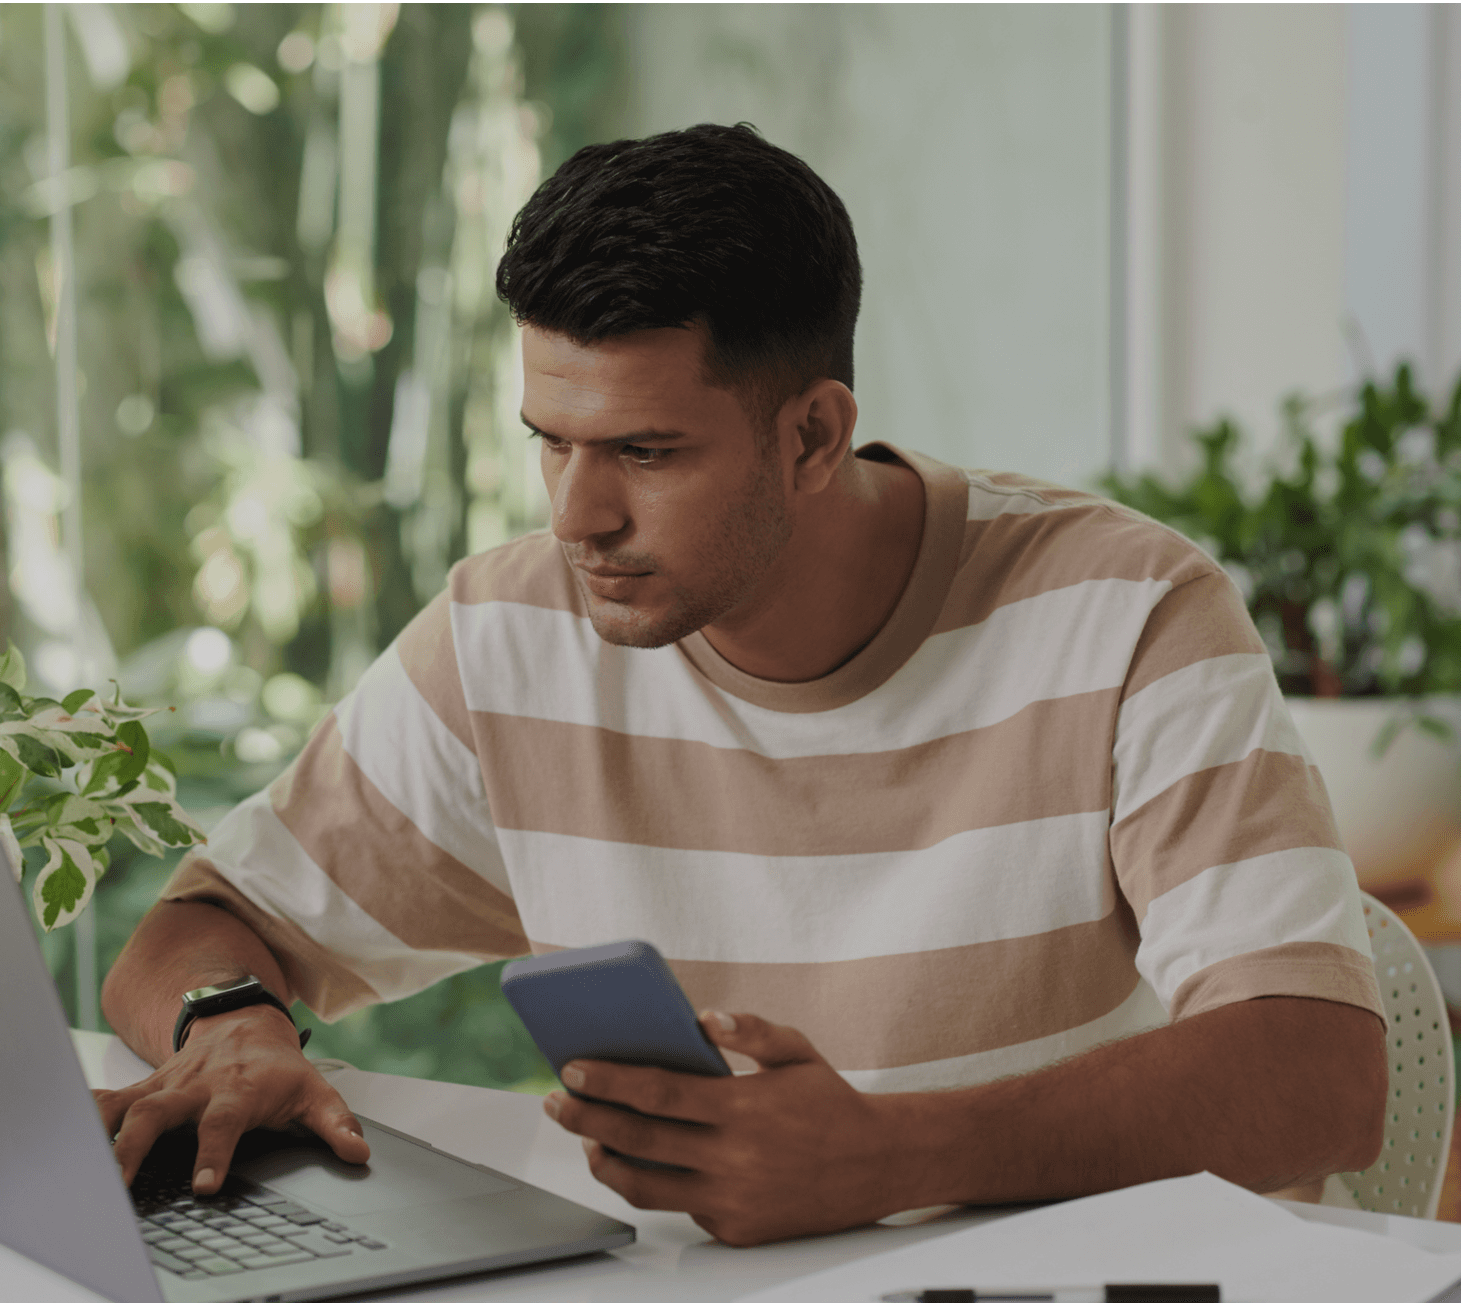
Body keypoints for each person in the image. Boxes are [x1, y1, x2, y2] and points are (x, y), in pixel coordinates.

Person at [97, 123, 1386, 1247]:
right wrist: (229, 1025)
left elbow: (1319, 1074)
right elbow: (208, 926)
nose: (577, 516)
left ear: (813, 435)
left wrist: (893, 1158)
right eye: (551, 442)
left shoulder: (1124, 611)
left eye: (645, 451)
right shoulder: (511, 634)